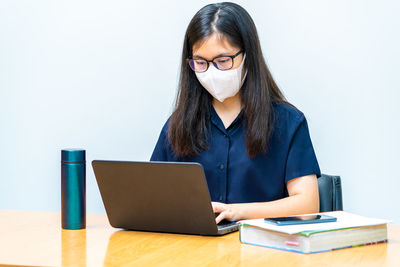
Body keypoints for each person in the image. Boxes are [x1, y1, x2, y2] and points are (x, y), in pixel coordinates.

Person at [150, 2, 321, 224]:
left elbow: (307, 206)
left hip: (263, 250)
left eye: (223, 61)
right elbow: (152, 198)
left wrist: (237, 212)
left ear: (247, 56)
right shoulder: (178, 125)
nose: (212, 72)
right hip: (194, 250)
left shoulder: (288, 122)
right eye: (201, 63)